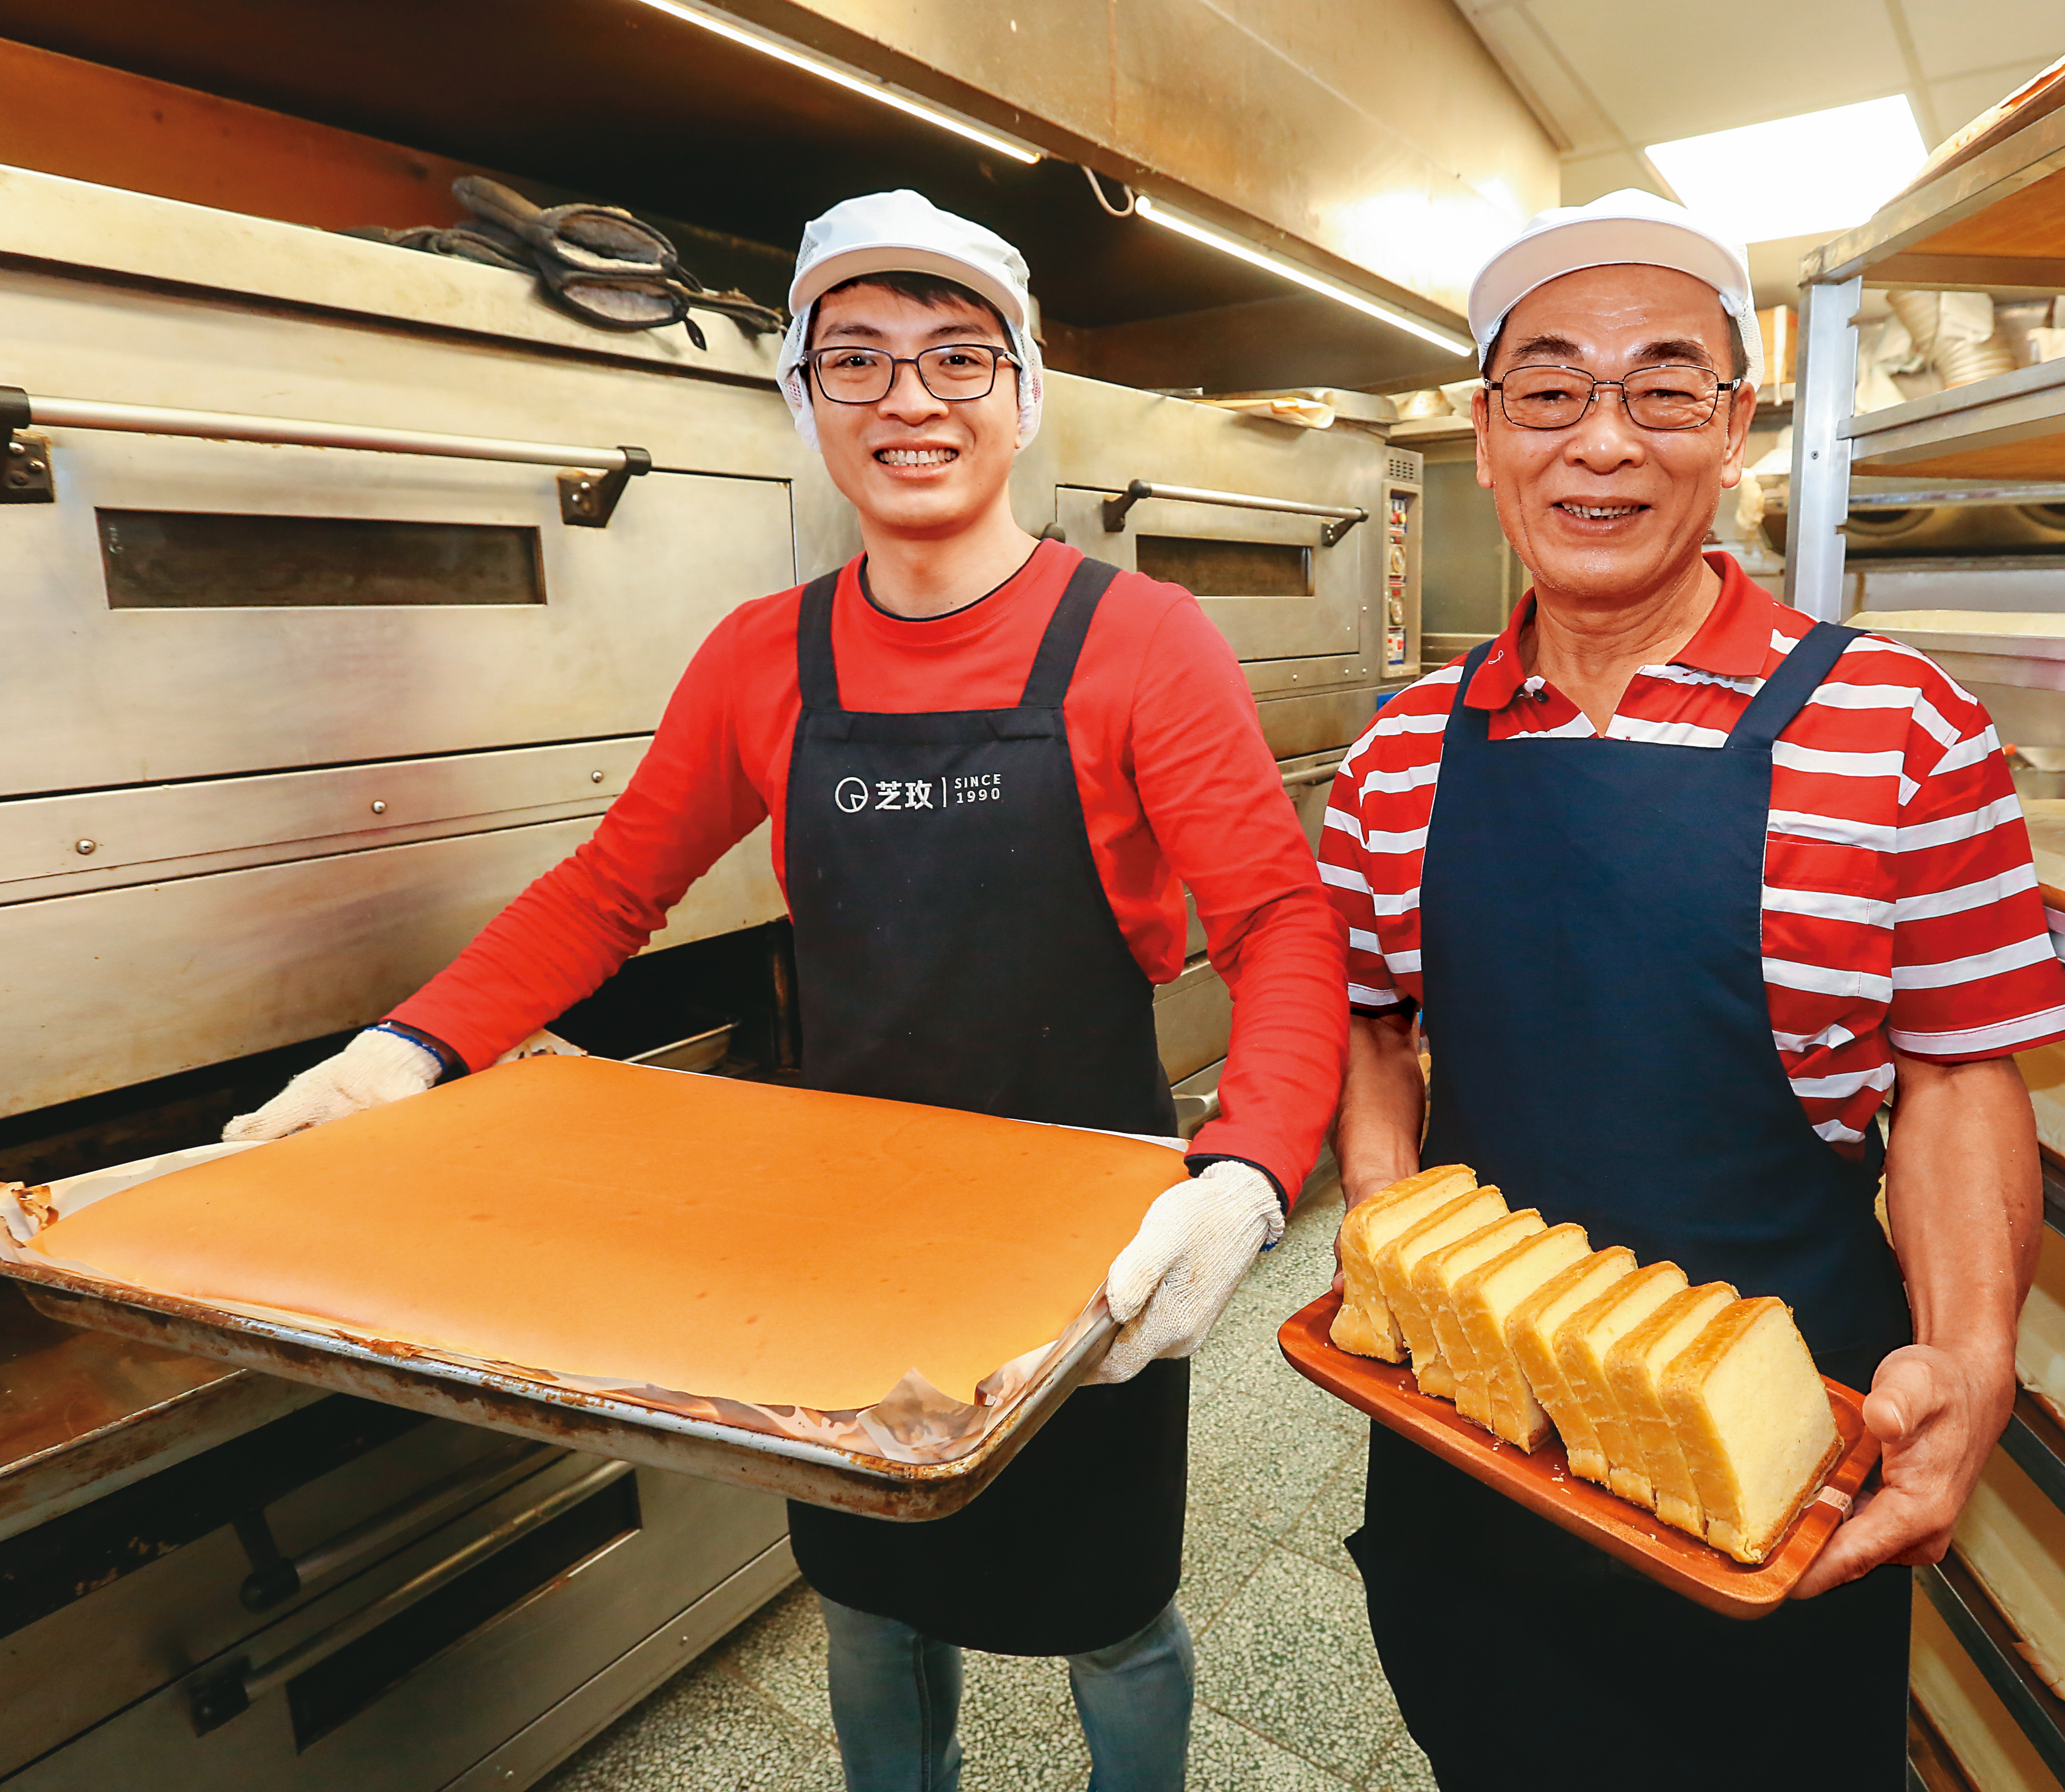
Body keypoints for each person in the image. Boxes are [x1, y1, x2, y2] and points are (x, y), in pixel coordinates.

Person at [228, 190, 1346, 1792]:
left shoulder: (1143, 643)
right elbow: (610, 891)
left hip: (1086, 1226)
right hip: (847, 1230)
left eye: (958, 356)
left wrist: (1247, 1170)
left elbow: (1279, 924)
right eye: (858, 360)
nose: (910, 400)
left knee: (1111, 1605)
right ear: (804, 401)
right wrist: (406, 1049)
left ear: (1025, 394)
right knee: (870, 1597)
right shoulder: (765, 656)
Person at [1317, 190, 2065, 1788]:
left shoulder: (1900, 727)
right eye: (1550, 390)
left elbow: (1958, 1072)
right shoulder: (1399, 752)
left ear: (1734, 430)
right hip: (1482, 1427)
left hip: (1786, 1434)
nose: (1603, 441)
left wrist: (1973, 1358)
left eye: (1664, 389)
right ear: (1486, 434)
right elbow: (1371, 1022)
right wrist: (1387, 1230)